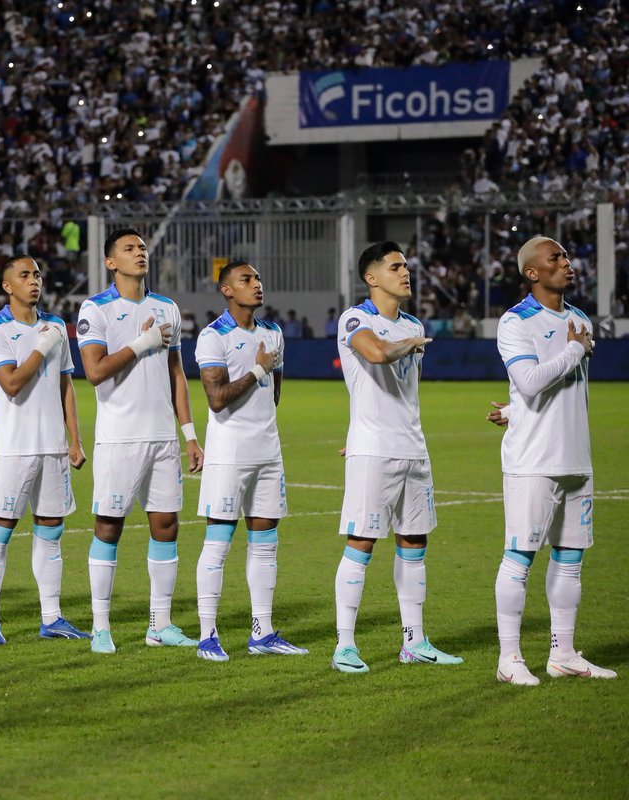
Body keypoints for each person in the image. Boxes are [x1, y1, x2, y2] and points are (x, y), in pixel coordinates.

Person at [331, 241, 461, 673]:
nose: (405, 272)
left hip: (413, 450)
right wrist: (410, 343)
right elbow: (375, 353)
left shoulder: (413, 323)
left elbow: (407, 393)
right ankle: (344, 646)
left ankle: (415, 641)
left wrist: (410, 339)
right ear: (372, 277)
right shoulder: (356, 318)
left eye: (406, 266)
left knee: (414, 544)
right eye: (395, 266)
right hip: (374, 452)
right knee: (362, 543)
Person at [489, 236, 614, 685]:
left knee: (570, 559)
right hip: (533, 461)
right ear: (532, 273)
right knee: (520, 557)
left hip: (576, 456)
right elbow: (528, 379)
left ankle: (563, 654)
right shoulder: (516, 321)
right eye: (555, 258)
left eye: (565, 255)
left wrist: (512, 411)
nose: (567, 262)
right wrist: (576, 349)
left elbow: (559, 392)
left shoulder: (579, 319)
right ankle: (509, 659)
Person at [76, 228, 204, 655]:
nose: (139, 253)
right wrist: (141, 341)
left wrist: (189, 435)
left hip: (162, 437)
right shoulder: (96, 308)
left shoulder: (166, 306)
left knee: (166, 525)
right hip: (119, 438)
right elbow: (94, 371)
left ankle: (160, 624)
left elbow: (177, 375)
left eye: (142, 248)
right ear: (111, 262)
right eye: (129, 249)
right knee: (108, 526)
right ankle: (100, 627)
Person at [193, 260, 308, 661]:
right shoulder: (213, 336)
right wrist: (259, 369)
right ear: (227, 290)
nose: (257, 284)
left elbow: (275, 394)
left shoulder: (274, 332)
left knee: (265, 544)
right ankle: (207, 635)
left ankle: (263, 631)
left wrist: (264, 373)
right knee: (218, 544)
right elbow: (217, 398)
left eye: (258, 278)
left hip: (267, 452)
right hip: (228, 455)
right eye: (246, 279)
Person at [0, 255, 89, 646]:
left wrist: (74, 439)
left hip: (53, 449)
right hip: (13, 449)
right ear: (8, 286)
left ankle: (51, 616)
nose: (34, 280)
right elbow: (10, 383)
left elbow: (65, 387)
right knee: (1, 531)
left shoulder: (55, 325)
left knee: (51, 533)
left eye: (37, 274)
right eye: (24, 275)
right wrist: (41, 346)